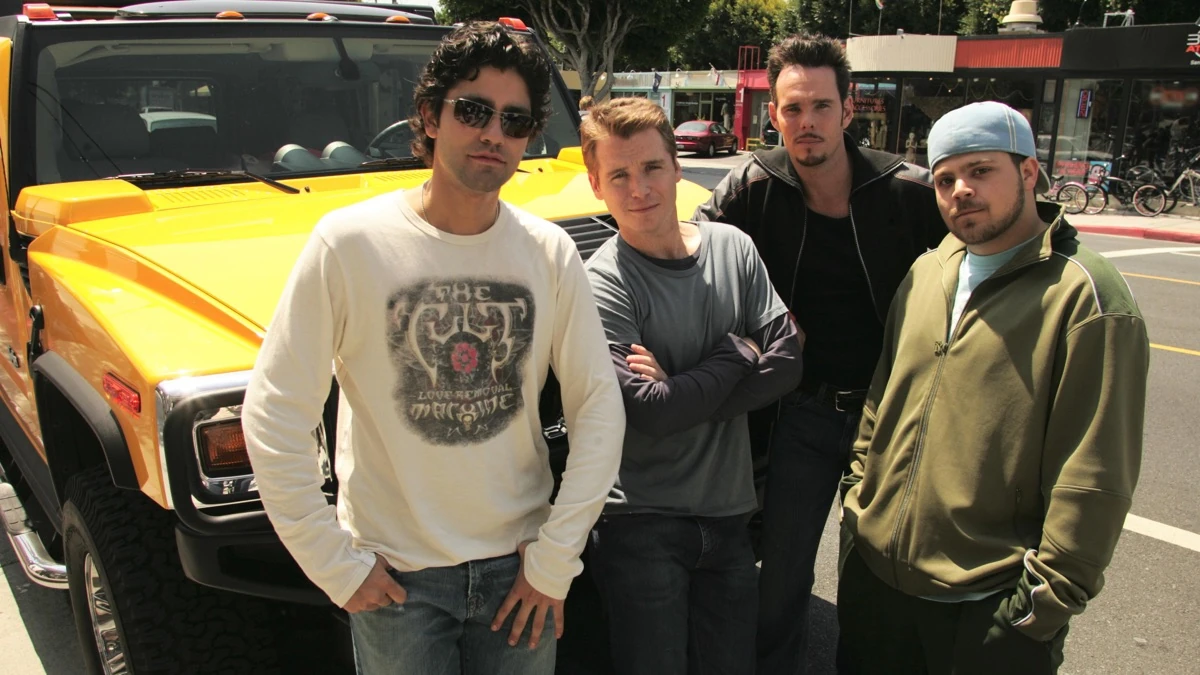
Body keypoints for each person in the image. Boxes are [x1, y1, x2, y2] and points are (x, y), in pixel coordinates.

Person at [241, 22, 625, 675]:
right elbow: (275, 411)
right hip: (396, 579)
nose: (493, 133)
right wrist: (333, 564)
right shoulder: (348, 244)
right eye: (473, 111)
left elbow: (599, 409)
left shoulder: (549, 252)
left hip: (519, 569)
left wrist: (556, 559)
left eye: (515, 120)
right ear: (429, 115)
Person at [839, 101, 1149, 674]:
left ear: (1028, 172)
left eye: (981, 171)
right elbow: (882, 401)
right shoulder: (928, 271)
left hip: (988, 608)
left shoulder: (1084, 296)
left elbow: (1095, 474)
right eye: (945, 179)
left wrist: (1038, 609)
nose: (961, 190)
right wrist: (859, 503)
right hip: (877, 587)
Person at [694, 33, 945, 675]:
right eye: (793, 108)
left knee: (878, 578)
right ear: (775, 116)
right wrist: (756, 329)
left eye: (821, 106)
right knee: (781, 577)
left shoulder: (908, 192)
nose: (807, 121)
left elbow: (984, 255)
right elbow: (689, 259)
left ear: (848, 109)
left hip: (888, 419)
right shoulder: (751, 186)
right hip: (801, 414)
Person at [581, 97, 804, 675]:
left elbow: (789, 361)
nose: (639, 189)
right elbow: (649, 413)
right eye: (619, 175)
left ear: (677, 167)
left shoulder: (733, 246)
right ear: (596, 185)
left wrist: (681, 392)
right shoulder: (601, 282)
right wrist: (738, 352)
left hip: (729, 515)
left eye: (652, 167)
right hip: (640, 525)